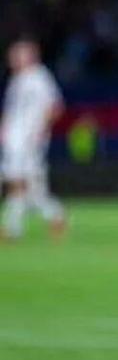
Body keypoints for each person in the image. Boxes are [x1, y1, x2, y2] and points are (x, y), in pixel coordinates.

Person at [1, 38, 67, 241]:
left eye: (17, 54)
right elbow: (12, 111)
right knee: (27, 185)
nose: (13, 59)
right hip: (14, 140)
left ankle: (14, 228)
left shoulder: (40, 77)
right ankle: (54, 215)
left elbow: (55, 107)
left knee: (20, 183)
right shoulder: (17, 80)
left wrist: (40, 131)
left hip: (29, 140)